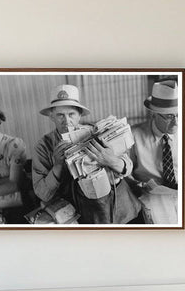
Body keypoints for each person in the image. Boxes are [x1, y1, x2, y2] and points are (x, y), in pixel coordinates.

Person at [32, 84, 141, 224]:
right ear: (51, 117)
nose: (66, 121)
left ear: (79, 115)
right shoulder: (43, 146)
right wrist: (58, 166)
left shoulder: (97, 132)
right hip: (78, 214)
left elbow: (128, 167)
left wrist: (111, 160)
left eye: (71, 114)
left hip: (119, 207)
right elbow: (42, 194)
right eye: (60, 115)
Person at [130, 80, 179, 224]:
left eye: (178, 115)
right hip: (152, 195)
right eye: (169, 116)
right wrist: (139, 184)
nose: (176, 122)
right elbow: (125, 172)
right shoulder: (134, 135)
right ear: (154, 114)